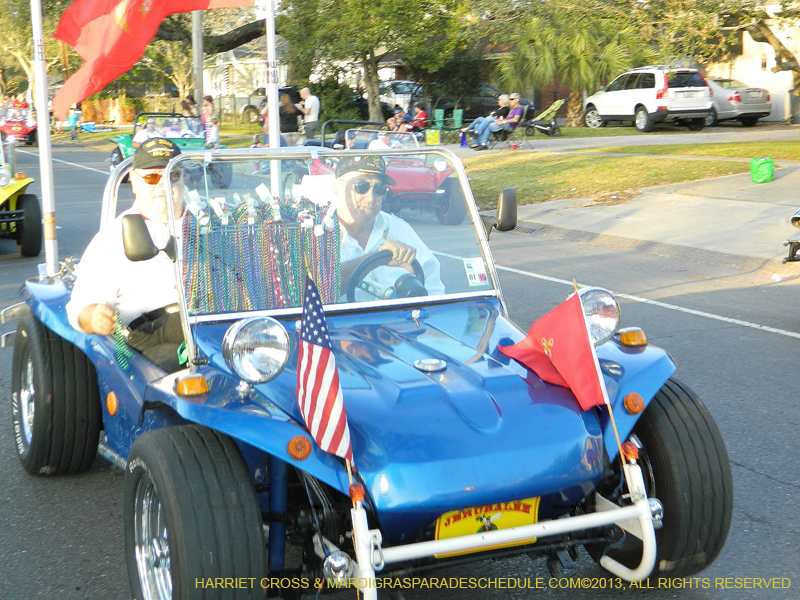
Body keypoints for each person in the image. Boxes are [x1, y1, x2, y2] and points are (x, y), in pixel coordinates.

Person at [66, 138, 186, 371]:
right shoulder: (112, 239)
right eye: (152, 177)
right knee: (181, 368)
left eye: (173, 175)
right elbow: (81, 307)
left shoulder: (210, 225)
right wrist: (93, 317)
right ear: (133, 182)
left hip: (214, 325)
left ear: (183, 180)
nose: (162, 185)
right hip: (149, 338)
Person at [334, 155, 444, 299]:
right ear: (337, 189)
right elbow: (314, 291)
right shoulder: (315, 234)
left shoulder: (399, 229)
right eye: (361, 186)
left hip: (398, 320)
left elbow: (433, 287)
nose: (371, 197)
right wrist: (375, 260)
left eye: (380, 188)